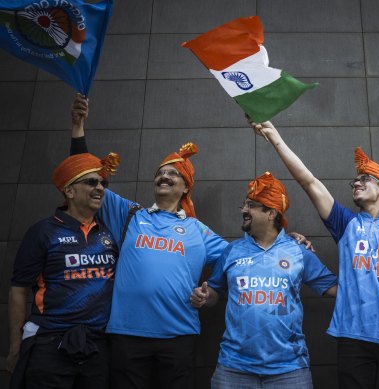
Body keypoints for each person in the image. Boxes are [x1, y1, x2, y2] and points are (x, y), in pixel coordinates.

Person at [69, 94, 313, 389]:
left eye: (173, 174)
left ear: (186, 186)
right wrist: (78, 129)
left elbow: (248, 253)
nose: (165, 176)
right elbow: (81, 178)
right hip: (126, 334)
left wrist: (288, 240)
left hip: (178, 337)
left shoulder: (199, 231)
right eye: (161, 173)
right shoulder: (129, 214)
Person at [248, 120, 379, 389]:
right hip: (353, 339)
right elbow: (308, 181)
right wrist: (274, 137)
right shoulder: (346, 224)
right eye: (355, 180)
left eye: (365, 179)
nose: (356, 183)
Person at [7, 93, 120, 389]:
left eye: (103, 183)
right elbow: (19, 290)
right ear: (69, 192)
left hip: (97, 344)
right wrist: (15, 346)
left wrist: (79, 127)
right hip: (50, 344)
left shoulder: (108, 232)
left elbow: (80, 165)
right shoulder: (43, 231)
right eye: (91, 182)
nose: (100, 187)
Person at [191, 171, 338, 388]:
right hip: (233, 368)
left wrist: (372, 284)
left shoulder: (299, 251)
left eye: (250, 205)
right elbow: (214, 292)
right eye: (244, 205)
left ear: (271, 213)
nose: (243, 210)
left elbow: (334, 289)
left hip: (290, 369)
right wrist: (204, 296)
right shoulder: (231, 251)